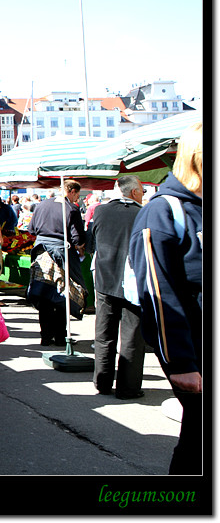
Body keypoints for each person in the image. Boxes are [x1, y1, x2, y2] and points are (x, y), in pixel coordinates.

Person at [128, 122, 202, 475]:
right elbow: (159, 294)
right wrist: (181, 363)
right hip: (197, 352)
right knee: (199, 446)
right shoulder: (163, 210)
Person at [86, 176, 146, 400]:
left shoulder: (100, 211)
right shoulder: (143, 214)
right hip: (133, 283)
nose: (143, 194)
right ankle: (128, 388)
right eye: (141, 190)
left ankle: (102, 382)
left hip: (105, 280)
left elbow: (90, 243)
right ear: (133, 193)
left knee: (104, 333)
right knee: (131, 337)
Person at [27, 179, 87, 346]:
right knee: (61, 296)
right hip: (61, 254)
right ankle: (61, 337)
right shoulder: (71, 209)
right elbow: (77, 237)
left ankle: (45, 337)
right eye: (77, 195)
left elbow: (31, 229)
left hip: (41, 253)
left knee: (44, 296)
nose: (77, 199)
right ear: (72, 191)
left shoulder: (41, 205)